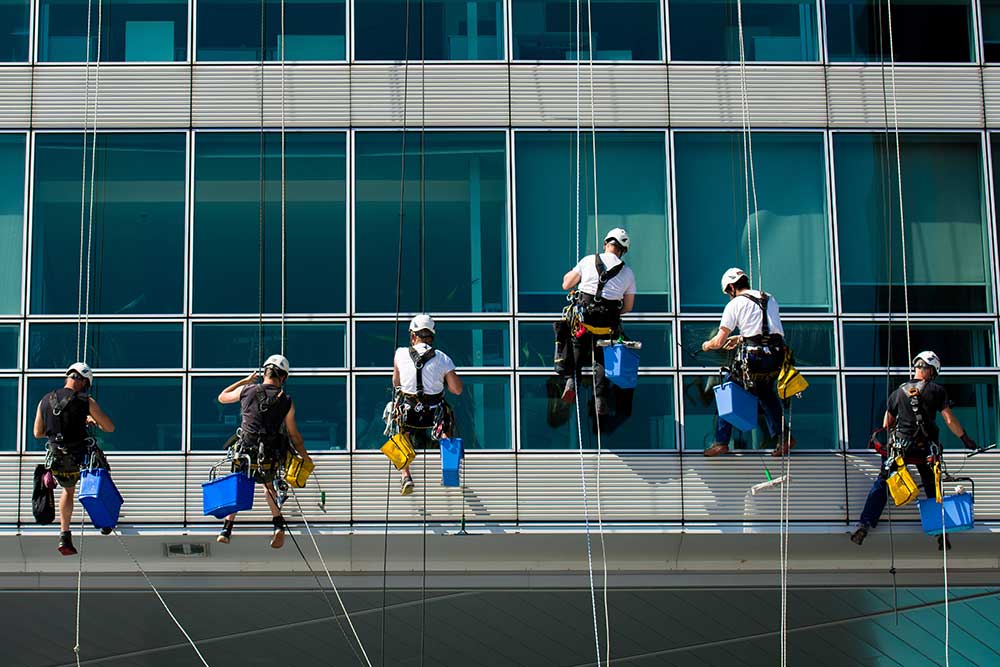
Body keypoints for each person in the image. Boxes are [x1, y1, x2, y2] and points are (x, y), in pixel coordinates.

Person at [851, 351, 977, 550]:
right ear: (931, 370)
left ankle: (864, 524)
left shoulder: (897, 393)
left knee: (883, 483)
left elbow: (887, 424)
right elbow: (949, 419)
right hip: (924, 448)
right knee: (932, 487)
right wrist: (965, 438)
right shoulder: (936, 390)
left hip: (901, 448)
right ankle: (940, 532)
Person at [215, 354, 311, 548]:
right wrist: (306, 458)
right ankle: (278, 526)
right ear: (283, 377)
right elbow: (294, 436)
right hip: (268, 455)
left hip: (245, 452)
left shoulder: (247, 390)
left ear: (264, 372)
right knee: (269, 487)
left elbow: (222, 397)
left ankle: (227, 528)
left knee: (239, 485)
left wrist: (246, 380)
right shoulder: (286, 400)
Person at [701, 267, 792, 457]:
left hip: (756, 357)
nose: (729, 296)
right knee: (765, 392)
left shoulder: (735, 304)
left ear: (732, 287)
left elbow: (718, 340)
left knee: (728, 387)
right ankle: (784, 437)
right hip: (776, 355)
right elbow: (766, 330)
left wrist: (707, 345)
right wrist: (740, 339)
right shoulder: (769, 298)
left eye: (728, 292)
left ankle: (721, 441)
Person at [32, 362, 116, 556]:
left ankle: (64, 534)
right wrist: (90, 419)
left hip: (58, 460)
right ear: (83, 381)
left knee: (67, 492)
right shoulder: (86, 401)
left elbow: (38, 432)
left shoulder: (45, 400)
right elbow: (109, 427)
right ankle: (104, 521)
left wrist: (59, 431)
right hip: (80, 457)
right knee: (101, 474)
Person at [555, 228, 637, 416]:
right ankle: (600, 397)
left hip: (584, 320)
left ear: (606, 244)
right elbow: (629, 306)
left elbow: (566, 285)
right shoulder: (628, 273)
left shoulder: (588, 260)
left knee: (574, 341)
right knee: (600, 355)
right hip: (607, 325)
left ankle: (571, 381)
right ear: (623, 250)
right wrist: (613, 313)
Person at [390, 314, 463, 495]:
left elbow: (396, 382)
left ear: (413, 336)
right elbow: (457, 389)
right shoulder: (443, 358)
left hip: (409, 413)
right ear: (432, 336)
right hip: (433, 413)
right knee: (445, 431)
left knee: (400, 433)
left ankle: (405, 475)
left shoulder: (399, 354)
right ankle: (449, 471)